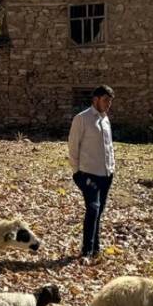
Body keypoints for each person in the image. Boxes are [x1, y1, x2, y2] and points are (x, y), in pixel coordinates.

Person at [67, 85, 115, 261]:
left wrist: (111, 168)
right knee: (93, 209)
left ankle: (95, 249)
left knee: (99, 211)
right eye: (105, 100)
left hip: (106, 174)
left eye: (110, 101)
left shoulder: (105, 119)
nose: (108, 104)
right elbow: (73, 146)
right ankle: (87, 250)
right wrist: (76, 172)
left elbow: (108, 147)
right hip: (88, 174)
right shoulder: (82, 119)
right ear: (95, 99)